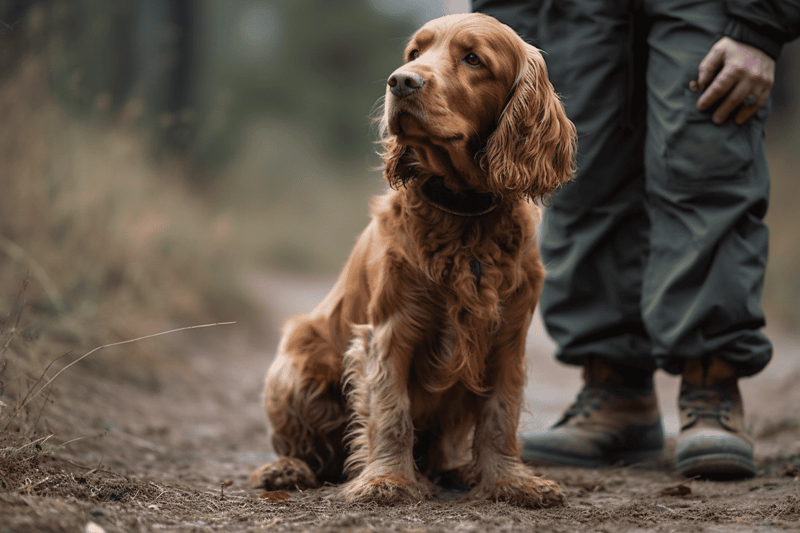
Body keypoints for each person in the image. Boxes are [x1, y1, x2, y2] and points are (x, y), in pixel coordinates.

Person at [471, 0, 800, 478]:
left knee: (706, 165)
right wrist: (500, 35)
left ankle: (712, 391)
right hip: (571, 13)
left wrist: (759, 25)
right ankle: (614, 393)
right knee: (581, 175)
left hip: (711, 8)